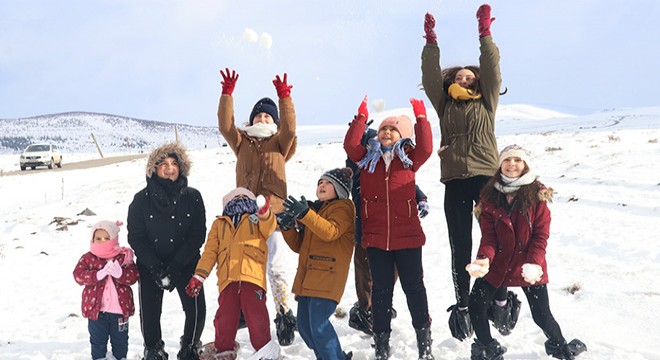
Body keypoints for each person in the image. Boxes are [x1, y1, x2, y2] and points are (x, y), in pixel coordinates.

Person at [420, 3, 503, 340]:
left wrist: (485, 33)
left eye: (469, 77)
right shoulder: (445, 105)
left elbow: (492, 69)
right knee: (460, 245)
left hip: (485, 177)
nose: (464, 79)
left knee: (494, 241)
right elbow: (429, 78)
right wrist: (430, 42)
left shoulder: (488, 100)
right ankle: (463, 305)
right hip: (455, 180)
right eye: (459, 77)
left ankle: (498, 298)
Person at [466, 144, 587, 360]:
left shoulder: (537, 195)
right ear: (500, 165)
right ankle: (488, 347)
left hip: (529, 264)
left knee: (542, 315)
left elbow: (541, 235)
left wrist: (534, 263)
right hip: (499, 263)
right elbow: (489, 237)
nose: (512, 164)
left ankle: (560, 347)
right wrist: (484, 259)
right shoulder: (489, 196)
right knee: (476, 304)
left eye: (517, 160)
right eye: (507, 160)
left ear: (525, 165)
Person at [344, 97, 435, 360]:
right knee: (381, 292)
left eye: (393, 129)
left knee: (414, 289)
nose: (386, 132)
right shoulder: (365, 160)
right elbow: (351, 145)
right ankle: (381, 346)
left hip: (407, 238)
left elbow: (427, 148)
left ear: (402, 136)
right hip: (376, 238)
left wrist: (421, 119)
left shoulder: (408, 160)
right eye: (384, 129)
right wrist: (361, 118)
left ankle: (424, 344)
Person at [217, 68, 297, 346]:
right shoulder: (242, 143)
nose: (262, 119)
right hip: (245, 214)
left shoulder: (280, 142)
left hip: (274, 212)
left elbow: (290, 128)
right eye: (258, 115)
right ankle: (241, 311)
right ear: (250, 119)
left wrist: (284, 98)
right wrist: (227, 94)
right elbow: (226, 126)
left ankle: (284, 314)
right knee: (245, 264)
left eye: (267, 116)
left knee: (275, 264)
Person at [127, 142, 207, 360]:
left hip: (186, 261)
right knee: (150, 312)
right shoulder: (140, 200)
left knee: (196, 308)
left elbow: (197, 235)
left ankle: (190, 346)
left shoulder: (193, 197)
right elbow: (136, 237)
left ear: (181, 167)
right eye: (163, 164)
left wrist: (176, 266)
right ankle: (153, 349)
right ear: (154, 169)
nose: (169, 168)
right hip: (151, 264)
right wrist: (155, 268)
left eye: (174, 163)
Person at [185, 188, 283, 360]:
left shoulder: (256, 219)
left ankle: (266, 352)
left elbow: (269, 228)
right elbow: (210, 252)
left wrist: (265, 213)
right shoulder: (219, 224)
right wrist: (199, 276)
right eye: (235, 198)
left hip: (252, 276)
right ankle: (223, 352)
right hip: (227, 279)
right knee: (225, 318)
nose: (240, 199)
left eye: (245, 197)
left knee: (256, 316)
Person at [276, 168, 356, 360]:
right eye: (320, 182)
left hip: (328, 275)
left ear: (340, 189)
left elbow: (330, 232)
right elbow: (299, 246)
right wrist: (287, 227)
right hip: (308, 277)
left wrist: (305, 214)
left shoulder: (344, 207)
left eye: (328, 183)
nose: (322, 185)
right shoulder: (316, 211)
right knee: (305, 327)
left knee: (319, 325)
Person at [73, 220, 139, 360]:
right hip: (96, 311)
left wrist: (120, 274)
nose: (102, 241)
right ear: (92, 239)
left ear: (114, 239)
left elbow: (133, 276)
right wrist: (96, 275)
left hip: (119, 312)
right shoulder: (88, 258)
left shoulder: (124, 257)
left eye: (106, 238)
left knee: (120, 343)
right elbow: (78, 275)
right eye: (98, 238)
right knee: (97, 343)